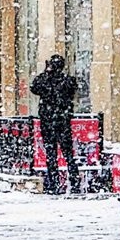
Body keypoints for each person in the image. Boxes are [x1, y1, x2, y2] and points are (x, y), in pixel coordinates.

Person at [31, 54, 80, 196]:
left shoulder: (46, 80)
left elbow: (34, 87)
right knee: (68, 153)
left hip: (49, 121)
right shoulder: (67, 81)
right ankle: (74, 182)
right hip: (62, 121)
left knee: (51, 153)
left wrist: (47, 73)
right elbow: (72, 90)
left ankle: (53, 183)